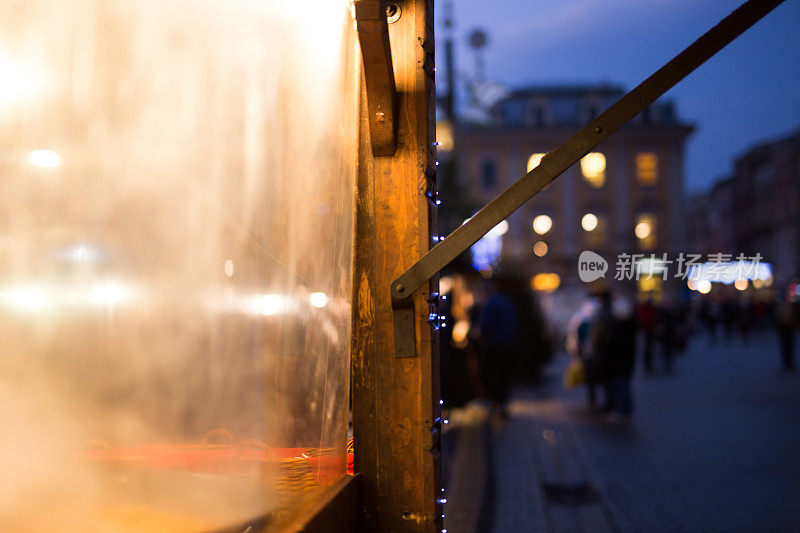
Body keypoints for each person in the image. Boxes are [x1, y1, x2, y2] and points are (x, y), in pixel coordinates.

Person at [477, 279, 518, 417]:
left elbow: (486, 325)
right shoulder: (507, 301)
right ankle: (503, 403)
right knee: (504, 374)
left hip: (494, 344)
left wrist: (482, 335)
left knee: (492, 373)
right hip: (508, 343)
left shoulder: (491, 303)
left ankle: (493, 402)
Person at [607, 296, 637, 423]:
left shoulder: (620, 328)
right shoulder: (630, 326)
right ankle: (626, 411)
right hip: (625, 363)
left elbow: (614, 345)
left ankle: (623, 412)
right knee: (624, 386)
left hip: (620, 363)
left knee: (621, 387)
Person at [637, 298, 656, 372]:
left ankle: (648, 364)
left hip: (649, 330)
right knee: (648, 348)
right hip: (647, 330)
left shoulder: (649, 309)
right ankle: (648, 364)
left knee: (649, 348)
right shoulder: (646, 309)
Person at [777, 296, 795, 371]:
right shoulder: (789, 308)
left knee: (788, 345)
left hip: (787, 328)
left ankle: (788, 361)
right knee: (787, 345)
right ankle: (787, 361)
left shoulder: (780, 308)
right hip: (786, 328)